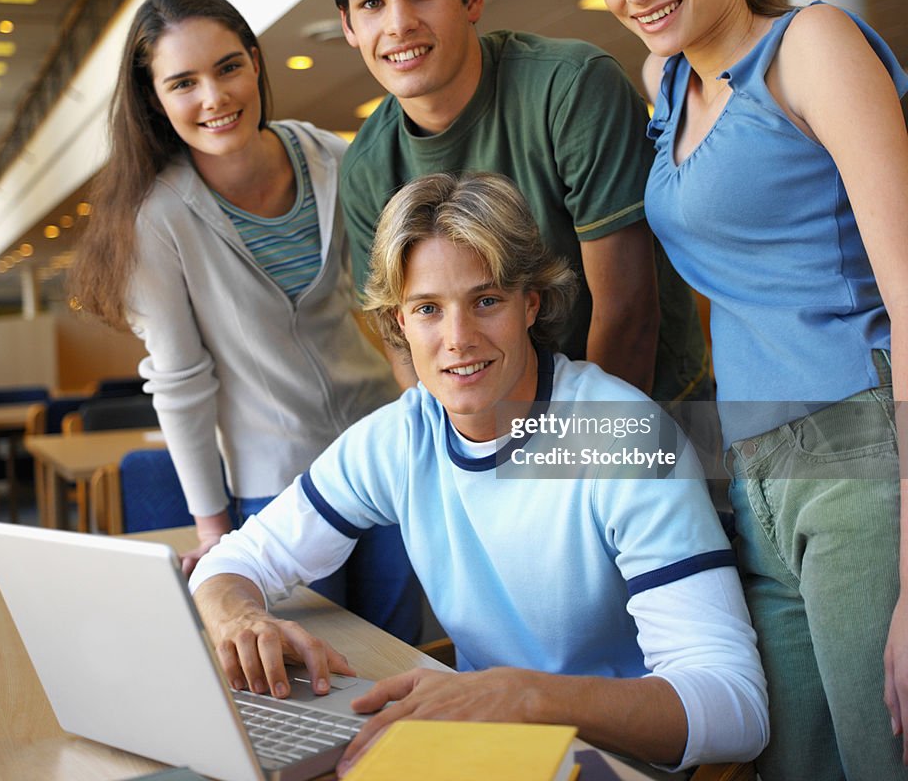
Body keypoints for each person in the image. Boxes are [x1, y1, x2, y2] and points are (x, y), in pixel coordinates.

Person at [190, 171, 768, 775]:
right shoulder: (401, 436)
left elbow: (736, 709)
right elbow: (233, 561)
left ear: (530, 304)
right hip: (481, 750)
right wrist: (239, 617)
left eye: (486, 300)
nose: (458, 339)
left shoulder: (621, 435)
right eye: (428, 309)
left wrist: (526, 695)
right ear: (398, 323)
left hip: (613, 762)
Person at [584, 0, 908, 780]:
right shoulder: (667, 82)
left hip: (860, 455)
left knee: (878, 757)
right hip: (751, 467)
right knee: (792, 763)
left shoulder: (812, 45)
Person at [70, 0, 419, 641]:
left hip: (385, 455)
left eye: (228, 66)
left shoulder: (333, 160)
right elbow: (180, 381)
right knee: (319, 673)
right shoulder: (158, 219)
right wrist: (214, 530)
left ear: (256, 62)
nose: (214, 97)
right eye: (183, 83)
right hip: (276, 488)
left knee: (402, 655)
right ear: (154, 99)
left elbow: (402, 305)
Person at [313, 0, 707, 407]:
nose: (399, 24)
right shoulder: (365, 165)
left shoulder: (571, 88)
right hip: (493, 442)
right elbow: (408, 347)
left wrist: (571, 467)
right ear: (348, 25)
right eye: (371, 3)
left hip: (651, 418)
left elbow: (627, 315)